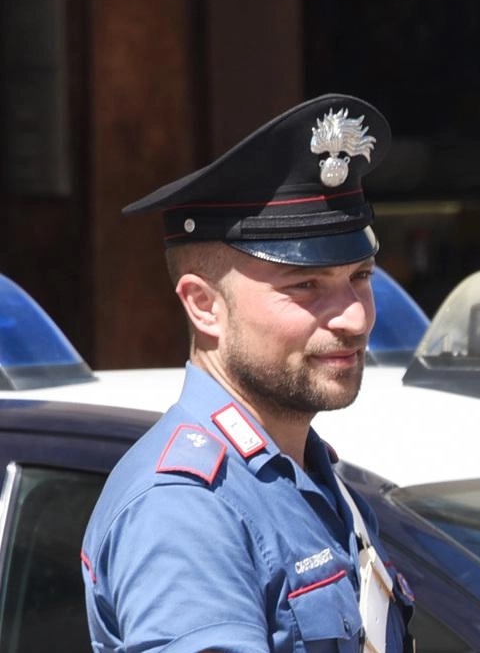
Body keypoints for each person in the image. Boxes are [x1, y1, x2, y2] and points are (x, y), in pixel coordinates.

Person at [81, 94, 416, 652]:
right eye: (305, 286)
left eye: (360, 276)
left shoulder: (297, 470)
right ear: (204, 305)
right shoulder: (184, 510)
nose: (355, 317)